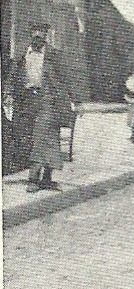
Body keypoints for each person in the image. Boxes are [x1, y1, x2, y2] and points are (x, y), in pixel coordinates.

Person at [3, 19, 81, 192]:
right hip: (26, 101)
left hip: (48, 100)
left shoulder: (54, 55)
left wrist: (77, 100)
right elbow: (12, 76)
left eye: (42, 33)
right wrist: (7, 93)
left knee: (43, 138)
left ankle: (34, 179)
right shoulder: (23, 54)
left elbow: (67, 78)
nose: (39, 36)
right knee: (37, 139)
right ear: (31, 34)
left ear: (46, 36)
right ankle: (46, 179)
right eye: (36, 32)